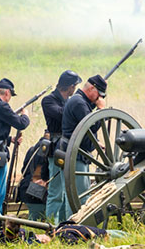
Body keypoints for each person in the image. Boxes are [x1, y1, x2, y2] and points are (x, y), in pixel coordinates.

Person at [59, 75, 107, 218]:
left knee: (72, 194)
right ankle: (75, 227)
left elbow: (79, 128)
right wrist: (100, 111)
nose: (99, 98)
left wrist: (96, 143)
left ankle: (66, 226)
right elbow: (90, 127)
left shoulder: (79, 101)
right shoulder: (79, 103)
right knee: (79, 196)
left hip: (75, 151)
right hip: (76, 154)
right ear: (91, 88)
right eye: (98, 94)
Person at [0, 78, 30, 212]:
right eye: (10, 96)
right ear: (7, 93)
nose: (9, 100)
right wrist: (25, 115)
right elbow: (21, 123)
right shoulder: (1, 106)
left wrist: (9, 139)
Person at [43, 70, 82, 223]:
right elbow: (62, 114)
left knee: (69, 190)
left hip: (69, 147)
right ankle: (51, 225)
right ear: (69, 87)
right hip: (56, 148)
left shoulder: (69, 101)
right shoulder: (48, 100)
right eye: (74, 86)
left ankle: (66, 224)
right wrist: (77, 103)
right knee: (55, 191)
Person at [17, 137, 50, 221]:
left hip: (26, 188)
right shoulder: (47, 150)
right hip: (38, 193)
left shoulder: (32, 150)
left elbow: (23, 170)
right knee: (37, 222)